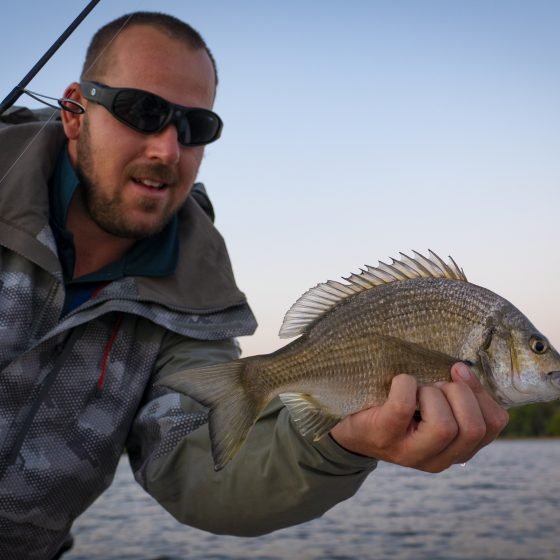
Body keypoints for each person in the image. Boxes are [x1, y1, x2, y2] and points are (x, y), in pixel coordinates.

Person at [0, 11, 509, 560]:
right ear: (75, 111)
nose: (168, 149)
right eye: (143, 111)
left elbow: (197, 467)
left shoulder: (197, 298)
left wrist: (337, 443)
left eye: (195, 127)